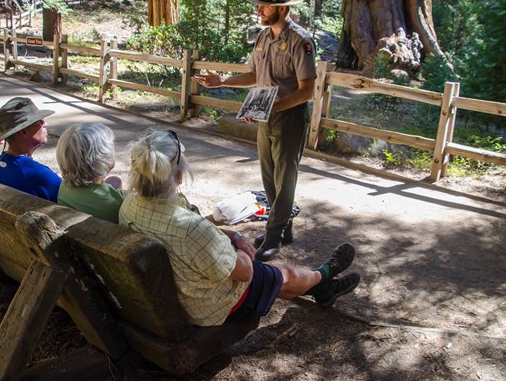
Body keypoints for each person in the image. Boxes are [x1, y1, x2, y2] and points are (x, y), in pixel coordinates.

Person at [118, 130, 359, 327]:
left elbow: (190, 236)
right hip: (207, 307)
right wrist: (242, 249)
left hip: (169, 293)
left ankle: (323, 290)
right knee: (284, 274)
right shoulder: (191, 228)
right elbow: (245, 273)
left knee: (272, 280)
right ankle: (325, 275)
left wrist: (232, 235)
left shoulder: (128, 204)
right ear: (179, 177)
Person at [194, 0, 316, 262]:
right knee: (269, 176)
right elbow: (253, 75)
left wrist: (275, 108)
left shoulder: (301, 41)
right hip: (266, 117)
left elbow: (307, 89)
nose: (259, 10)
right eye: (259, 5)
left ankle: (273, 237)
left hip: (290, 117)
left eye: (265, 6)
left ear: (283, 9)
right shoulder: (262, 38)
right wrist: (221, 80)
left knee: (285, 178)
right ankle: (283, 229)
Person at [0, 97, 62, 202]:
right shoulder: (38, 174)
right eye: (39, 121)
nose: (45, 124)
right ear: (24, 132)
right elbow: (68, 198)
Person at [56, 122, 125, 223]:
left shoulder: (64, 188)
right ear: (103, 159)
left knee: (115, 181)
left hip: (79, 233)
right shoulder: (118, 202)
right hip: (108, 236)